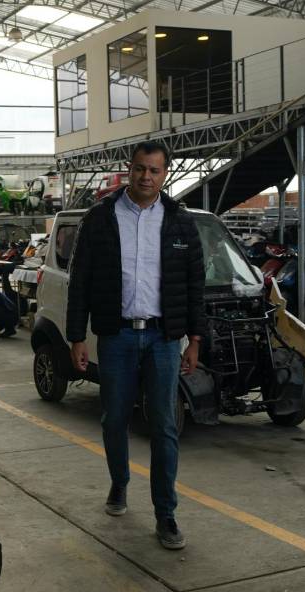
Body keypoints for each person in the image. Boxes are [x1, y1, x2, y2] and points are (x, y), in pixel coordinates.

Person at [66, 141, 204, 550]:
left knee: (163, 424)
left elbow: (194, 284)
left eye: (155, 171)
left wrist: (195, 339)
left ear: (165, 175)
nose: (147, 177)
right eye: (140, 169)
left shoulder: (179, 222)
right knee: (114, 419)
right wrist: (77, 336)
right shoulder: (101, 218)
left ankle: (166, 514)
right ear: (130, 169)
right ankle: (119, 483)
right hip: (117, 335)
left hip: (164, 338)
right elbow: (80, 282)